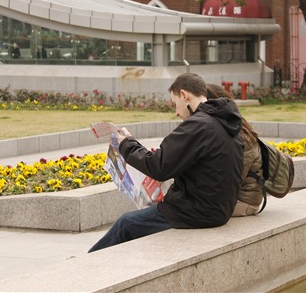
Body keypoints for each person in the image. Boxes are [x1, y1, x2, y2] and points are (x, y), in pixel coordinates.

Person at [88, 73, 244, 252]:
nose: (176, 112)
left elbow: (158, 167)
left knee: (126, 223)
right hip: (218, 209)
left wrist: (126, 144)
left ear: (184, 95)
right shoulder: (223, 123)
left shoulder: (198, 126)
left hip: (197, 212)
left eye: (175, 103)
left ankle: (86, 265)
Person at [206, 83, 264, 216]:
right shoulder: (229, 127)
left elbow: (233, 178)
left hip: (245, 201)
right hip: (235, 198)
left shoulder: (241, 136)